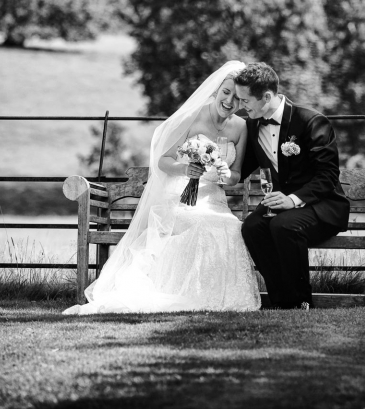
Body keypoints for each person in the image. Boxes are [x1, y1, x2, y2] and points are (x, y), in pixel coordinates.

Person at [63, 61, 260, 315]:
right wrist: (185, 169)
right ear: (216, 90)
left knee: (230, 227)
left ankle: (218, 297)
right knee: (198, 223)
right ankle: (180, 293)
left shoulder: (241, 127)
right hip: (181, 196)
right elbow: (163, 160)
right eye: (226, 92)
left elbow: (235, 176)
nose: (230, 101)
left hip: (215, 199)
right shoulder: (193, 116)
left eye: (237, 97)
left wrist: (226, 175)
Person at [234, 63, 350, 310]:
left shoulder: (311, 121)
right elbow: (242, 168)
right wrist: (210, 165)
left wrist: (293, 199)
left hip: (323, 206)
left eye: (245, 100)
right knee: (252, 227)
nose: (241, 106)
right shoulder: (253, 125)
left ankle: (300, 301)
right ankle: (281, 300)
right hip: (283, 208)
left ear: (266, 96)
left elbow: (328, 175)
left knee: (283, 225)